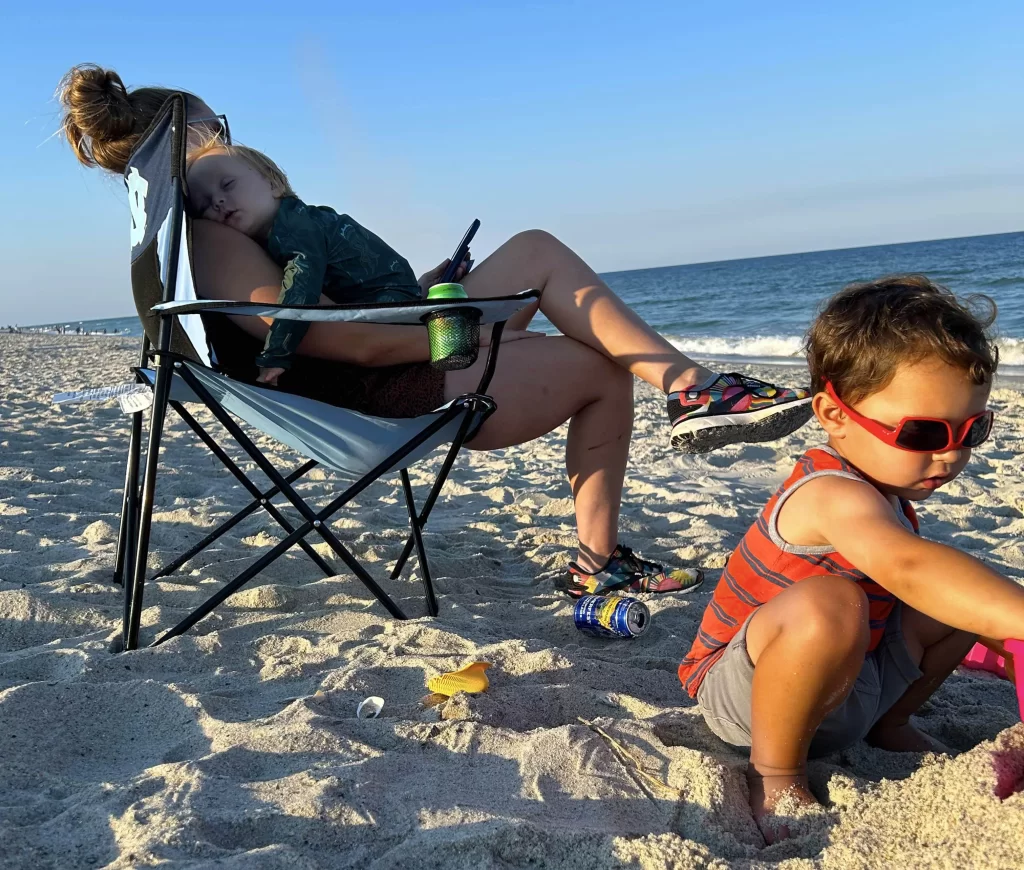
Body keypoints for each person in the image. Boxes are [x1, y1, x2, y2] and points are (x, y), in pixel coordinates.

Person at [59, 63, 813, 598]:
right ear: (192, 136)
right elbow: (343, 343)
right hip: (384, 390)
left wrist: (429, 298)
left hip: (378, 364)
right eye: (215, 130)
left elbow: (330, 314)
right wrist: (461, 334)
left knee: (536, 267)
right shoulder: (215, 234)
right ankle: (678, 413)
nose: (225, 146)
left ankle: (684, 398)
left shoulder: (179, 240)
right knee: (590, 349)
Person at [678, 274, 1024, 844]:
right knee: (833, 602)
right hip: (750, 700)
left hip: (847, 683)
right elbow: (907, 566)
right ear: (834, 416)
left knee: (961, 595)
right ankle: (778, 775)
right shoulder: (831, 494)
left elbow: (936, 584)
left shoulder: (887, 489)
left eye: (972, 429)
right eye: (922, 432)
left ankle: (891, 725)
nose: (952, 454)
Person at [184, 138, 438, 386]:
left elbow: (301, 292)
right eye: (204, 204)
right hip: (388, 300)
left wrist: (276, 352)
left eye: (228, 185)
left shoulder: (296, 228)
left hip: (388, 302)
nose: (217, 201)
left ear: (273, 182)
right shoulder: (276, 234)